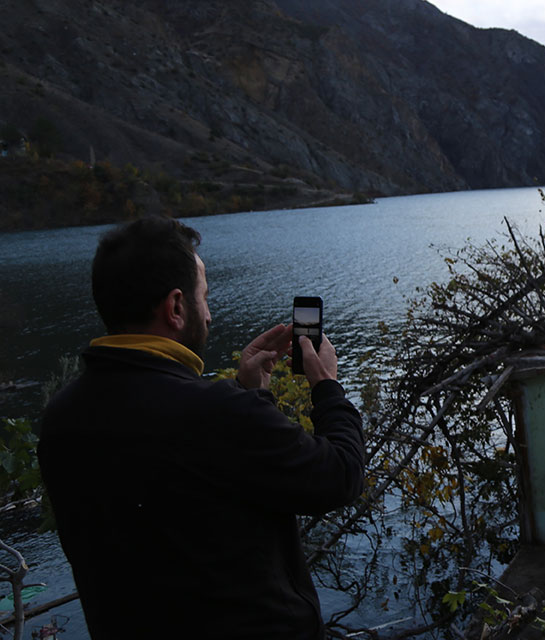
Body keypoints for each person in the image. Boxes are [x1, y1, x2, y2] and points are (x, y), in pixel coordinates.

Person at [39, 217, 364, 638]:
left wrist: (250, 394)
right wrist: (328, 388)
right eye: (204, 298)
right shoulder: (217, 414)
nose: (208, 316)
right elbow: (340, 474)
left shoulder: (62, 417)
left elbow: (186, 497)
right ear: (176, 308)